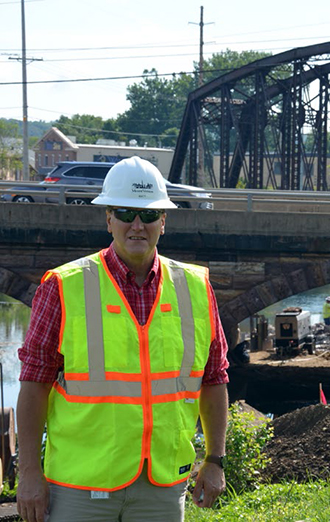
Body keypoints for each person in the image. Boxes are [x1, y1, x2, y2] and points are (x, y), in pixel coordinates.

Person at [16, 157, 229, 522]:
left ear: (164, 221)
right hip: (80, 485)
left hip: (161, 485)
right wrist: (29, 471)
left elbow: (214, 378)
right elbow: (34, 383)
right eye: (126, 212)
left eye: (148, 215)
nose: (137, 225)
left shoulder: (194, 287)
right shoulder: (64, 286)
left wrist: (214, 459)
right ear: (108, 218)